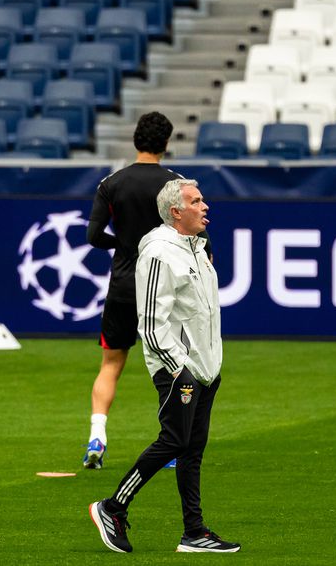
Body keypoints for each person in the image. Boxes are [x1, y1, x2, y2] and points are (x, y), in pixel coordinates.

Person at [89, 178, 239, 554]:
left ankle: (194, 532)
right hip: (178, 369)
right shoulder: (158, 253)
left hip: (206, 367)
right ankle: (112, 507)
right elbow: (151, 322)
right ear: (176, 211)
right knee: (173, 441)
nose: (205, 206)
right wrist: (178, 367)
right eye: (196, 201)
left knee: (191, 449)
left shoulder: (198, 248)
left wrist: (211, 363)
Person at [82, 111, 199, 470]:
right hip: (163, 289)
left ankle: (96, 437)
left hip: (122, 286)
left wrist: (123, 244)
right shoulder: (176, 186)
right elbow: (197, 234)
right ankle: (170, 447)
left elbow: (92, 236)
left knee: (110, 365)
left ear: (136, 140)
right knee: (173, 366)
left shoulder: (111, 183)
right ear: (166, 144)